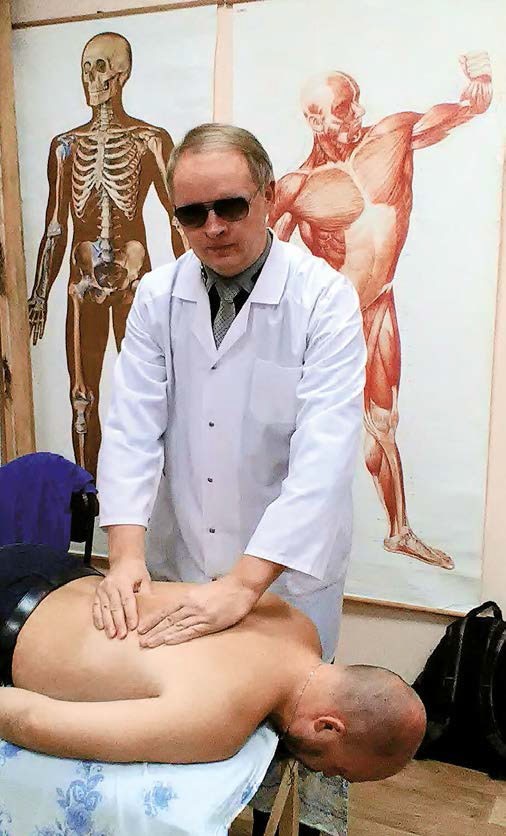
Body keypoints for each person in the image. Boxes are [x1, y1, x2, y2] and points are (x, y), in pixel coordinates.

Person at [95, 122, 367, 666]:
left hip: (283, 577)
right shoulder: (157, 297)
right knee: (183, 697)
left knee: (285, 707)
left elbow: (325, 459)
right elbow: (131, 430)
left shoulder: (323, 300)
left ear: (269, 196)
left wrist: (244, 584)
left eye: (230, 207)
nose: (213, 228)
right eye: (192, 214)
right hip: (180, 562)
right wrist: (124, 558)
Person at [269, 52, 492, 571]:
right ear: (315, 120)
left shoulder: (392, 137)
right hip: (331, 323)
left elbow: (464, 110)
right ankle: (287, 537)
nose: (357, 114)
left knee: (384, 423)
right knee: (306, 426)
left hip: (379, 303)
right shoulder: (298, 186)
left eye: (354, 103)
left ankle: (399, 532)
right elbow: (263, 264)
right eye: (344, 108)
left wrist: (479, 82)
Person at [0, 544, 426, 784]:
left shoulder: (298, 625)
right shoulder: (219, 724)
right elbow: (32, 720)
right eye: (336, 769)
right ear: (328, 726)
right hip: (10, 621)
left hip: (54, 567)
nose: (324, 774)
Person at [27, 31, 184, 478]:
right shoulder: (65, 146)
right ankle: (86, 496)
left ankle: (152, 495)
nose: (92, 79)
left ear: (122, 74)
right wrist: (40, 292)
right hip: (83, 282)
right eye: (86, 69)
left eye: (101, 68)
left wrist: (196, 292)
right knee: (82, 396)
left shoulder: (150, 140)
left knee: (145, 393)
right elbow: (56, 226)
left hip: (135, 279)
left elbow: (177, 218)